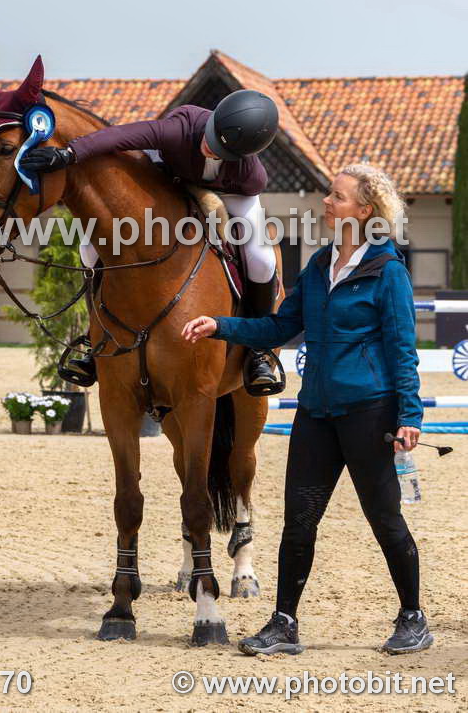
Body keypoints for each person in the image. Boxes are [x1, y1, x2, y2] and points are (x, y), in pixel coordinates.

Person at [182, 163, 434, 656]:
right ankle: (284, 622)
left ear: (365, 210)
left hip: (369, 412)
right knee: (299, 521)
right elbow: (279, 327)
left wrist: (410, 417)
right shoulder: (319, 266)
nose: (326, 202)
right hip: (316, 412)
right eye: (328, 194)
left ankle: (413, 617)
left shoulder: (388, 272)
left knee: (384, 518)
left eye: (337, 196)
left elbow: (403, 350)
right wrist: (221, 326)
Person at [21, 89, 281, 392]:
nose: (209, 147)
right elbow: (118, 137)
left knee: (263, 261)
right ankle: (94, 340)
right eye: (211, 137)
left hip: (231, 194)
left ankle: (258, 351)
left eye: (220, 149)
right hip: (166, 180)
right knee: (89, 249)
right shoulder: (179, 129)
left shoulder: (251, 174)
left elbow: (238, 198)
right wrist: (69, 154)